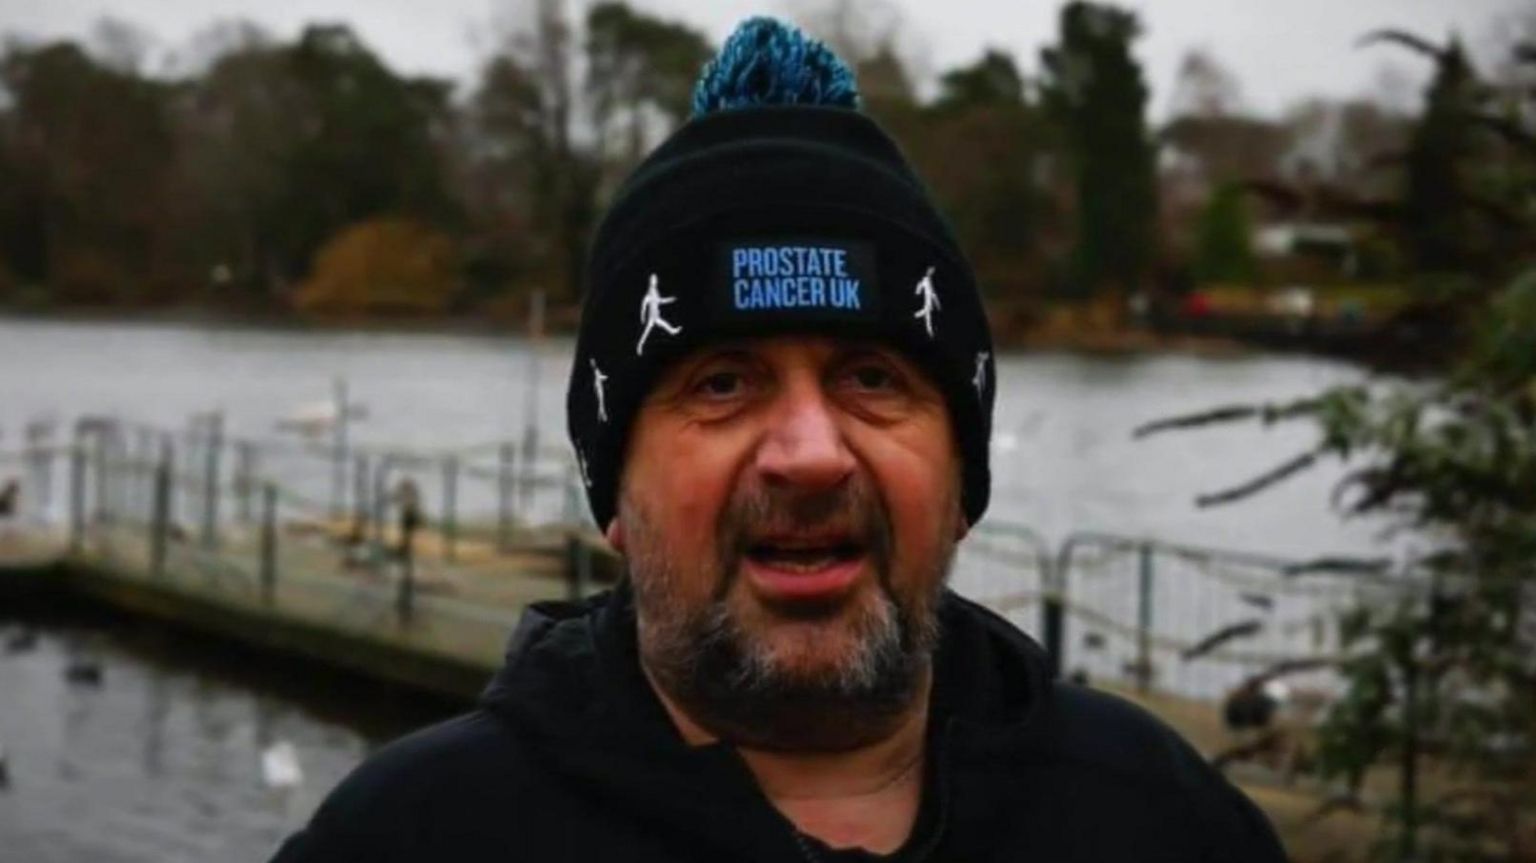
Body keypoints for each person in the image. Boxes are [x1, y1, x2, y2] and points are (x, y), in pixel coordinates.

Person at [271, 18, 1287, 862]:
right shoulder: (413, 837)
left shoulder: (1159, 816)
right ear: (613, 486)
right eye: (721, 383)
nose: (809, 452)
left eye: (872, 378)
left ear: (963, 476)